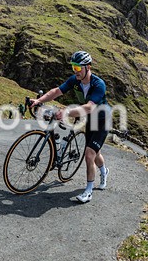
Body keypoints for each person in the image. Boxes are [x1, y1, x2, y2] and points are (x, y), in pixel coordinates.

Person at [30, 50, 111, 203]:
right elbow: (56, 91)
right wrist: (39, 101)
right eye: (73, 67)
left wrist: (66, 112)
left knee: (89, 154)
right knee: (95, 151)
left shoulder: (98, 84)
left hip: (101, 119)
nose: (75, 71)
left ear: (88, 67)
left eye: (78, 68)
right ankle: (103, 171)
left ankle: (88, 191)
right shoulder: (75, 80)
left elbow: (88, 107)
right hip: (89, 119)